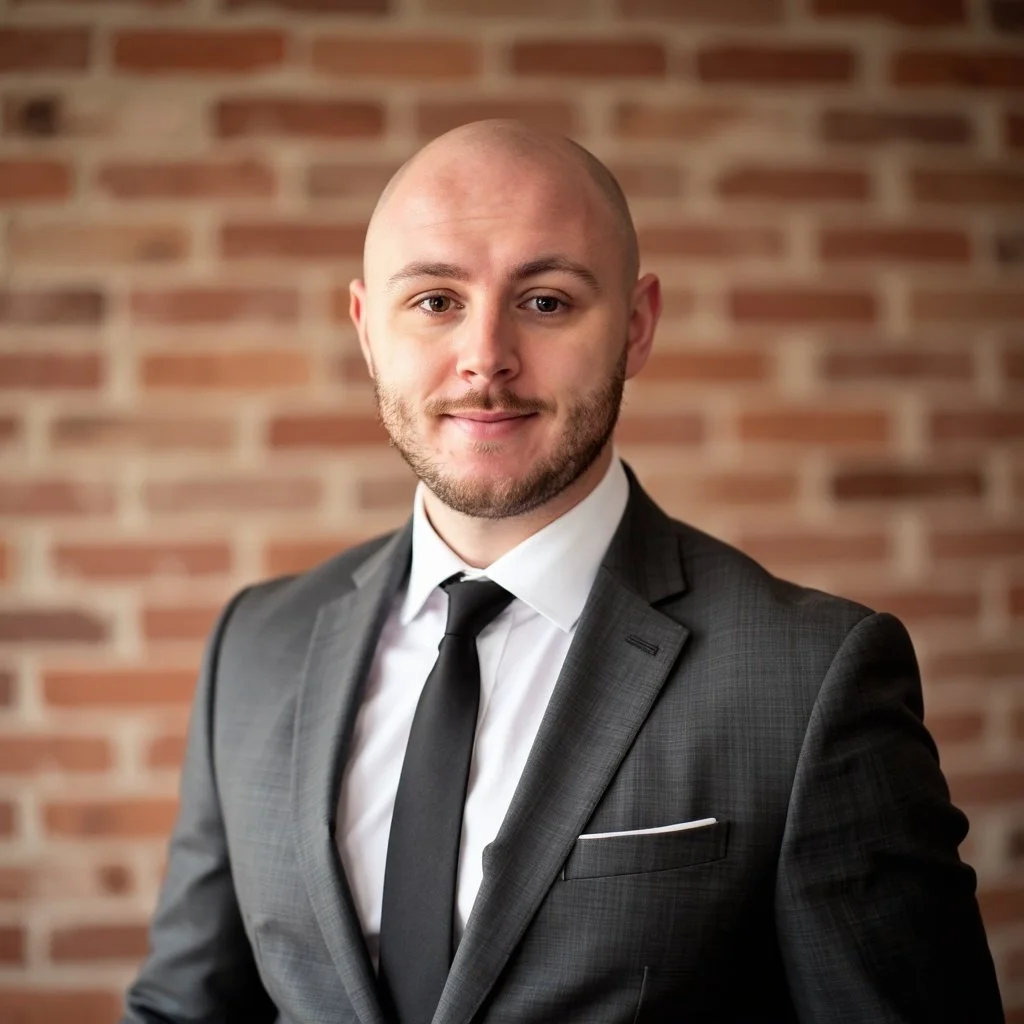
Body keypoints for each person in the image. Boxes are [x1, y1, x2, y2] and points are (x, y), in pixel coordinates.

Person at [121, 121, 1003, 1024]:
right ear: (366, 330)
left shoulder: (812, 675)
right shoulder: (257, 646)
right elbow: (184, 1008)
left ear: (637, 326)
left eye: (545, 301)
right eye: (434, 300)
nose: (485, 357)